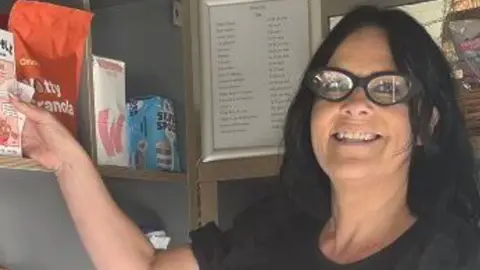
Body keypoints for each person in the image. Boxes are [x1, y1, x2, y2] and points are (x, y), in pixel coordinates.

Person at [8, 4, 480, 270]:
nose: (354, 103)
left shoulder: (457, 256)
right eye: (334, 84)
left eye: (387, 88)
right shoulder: (274, 230)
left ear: (427, 124)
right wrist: (68, 160)